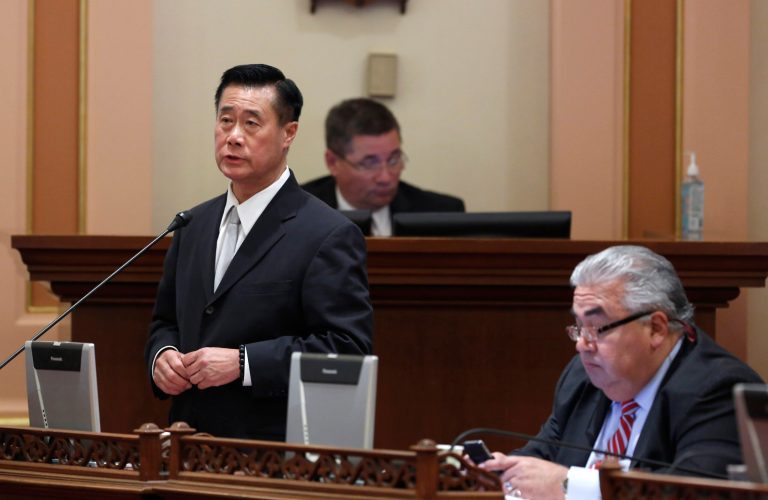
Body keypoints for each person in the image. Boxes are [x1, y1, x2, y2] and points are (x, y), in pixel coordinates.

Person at [145, 64, 373, 441]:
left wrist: (244, 363)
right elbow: (165, 322)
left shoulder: (327, 234)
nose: (233, 137)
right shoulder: (192, 225)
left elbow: (347, 350)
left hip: (272, 451)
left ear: (288, 134)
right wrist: (161, 356)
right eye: (225, 120)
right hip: (187, 441)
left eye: (251, 123)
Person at [481, 245, 763, 499]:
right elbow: (544, 455)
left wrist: (570, 486)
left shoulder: (717, 390)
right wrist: (497, 471)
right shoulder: (582, 376)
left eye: (597, 328)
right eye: (579, 327)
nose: (582, 344)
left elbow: (695, 492)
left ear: (656, 329)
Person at [301, 98, 465, 236]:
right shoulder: (293, 213)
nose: (385, 178)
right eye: (369, 164)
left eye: (394, 160)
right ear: (332, 162)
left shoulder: (441, 215)